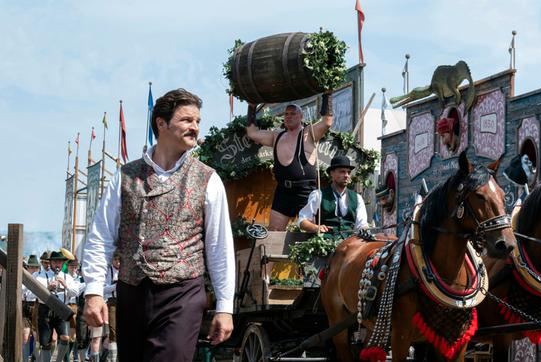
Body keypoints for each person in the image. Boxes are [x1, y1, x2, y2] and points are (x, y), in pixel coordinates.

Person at [82, 88, 235, 362]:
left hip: (182, 295)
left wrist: (225, 307)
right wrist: (94, 291)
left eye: (198, 121)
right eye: (187, 120)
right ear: (161, 124)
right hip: (131, 293)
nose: (195, 127)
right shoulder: (125, 176)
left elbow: (219, 247)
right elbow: (100, 236)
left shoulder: (208, 180)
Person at [246, 93, 334, 231]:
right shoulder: (276, 136)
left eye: (293, 113)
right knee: (274, 231)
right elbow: (252, 133)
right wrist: (251, 107)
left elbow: (327, 122)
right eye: (286, 114)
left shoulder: (308, 134)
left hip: (305, 192)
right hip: (283, 192)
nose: (288, 116)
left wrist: (327, 94)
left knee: (312, 232)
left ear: (301, 116)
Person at [297, 155, 368, 236]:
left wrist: (364, 230)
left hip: (349, 244)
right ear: (332, 173)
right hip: (325, 243)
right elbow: (302, 220)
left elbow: (362, 225)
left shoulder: (357, 198)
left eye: (348, 172)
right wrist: (316, 227)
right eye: (342, 171)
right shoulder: (318, 195)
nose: (346, 175)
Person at [35, 250, 80, 362]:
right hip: (45, 310)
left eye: (59, 262)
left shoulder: (66, 276)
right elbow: (35, 296)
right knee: (46, 343)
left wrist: (65, 285)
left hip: (61, 310)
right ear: (51, 263)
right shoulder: (41, 276)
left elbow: (76, 292)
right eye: (55, 262)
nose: (57, 264)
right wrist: (48, 288)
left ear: (63, 263)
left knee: (65, 337)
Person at [22, 255, 40, 362]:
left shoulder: (40, 277)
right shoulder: (23, 278)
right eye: (32, 267)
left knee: (36, 337)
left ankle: (35, 358)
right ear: (28, 267)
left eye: (35, 267)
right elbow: (21, 291)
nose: (34, 269)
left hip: (37, 307)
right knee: (25, 337)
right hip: (25, 306)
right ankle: (24, 360)